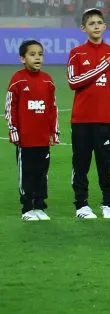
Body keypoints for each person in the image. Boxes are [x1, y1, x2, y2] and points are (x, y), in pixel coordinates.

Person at [67, 8, 110, 220]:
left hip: (105, 121)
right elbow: (74, 82)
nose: (96, 26)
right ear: (84, 28)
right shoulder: (76, 53)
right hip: (81, 120)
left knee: (106, 165)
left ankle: (108, 204)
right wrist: (101, 68)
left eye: (99, 22)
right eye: (91, 23)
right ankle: (81, 204)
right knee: (80, 164)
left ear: (105, 26)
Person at [6, 40, 58, 221]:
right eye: (32, 54)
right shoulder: (17, 80)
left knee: (42, 174)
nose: (37, 57)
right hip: (25, 139)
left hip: (43, 138)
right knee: (26, 173)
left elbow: (52, 108)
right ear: (23, 58)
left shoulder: (48, 80)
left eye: (40, 54)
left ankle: (40, 206)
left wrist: (54, 132)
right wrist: (13, 131)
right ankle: (27, 208)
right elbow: (10, 107)